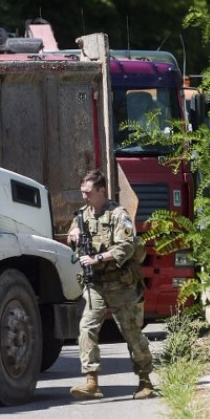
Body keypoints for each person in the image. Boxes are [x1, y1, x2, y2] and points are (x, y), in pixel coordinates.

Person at [66, 169, 154, 400]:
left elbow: (125, 246)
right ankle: (91, 382)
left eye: (88, 192)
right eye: (82, 192)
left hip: (119, 283)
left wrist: (98, 258)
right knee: (87, 327)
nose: (84, 197)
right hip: (94, 283)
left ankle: (145, 380)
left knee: (131, 331)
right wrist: (73, 233)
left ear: (101, 191)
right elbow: (72, 233)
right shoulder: (82, 215)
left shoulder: (118, 214)